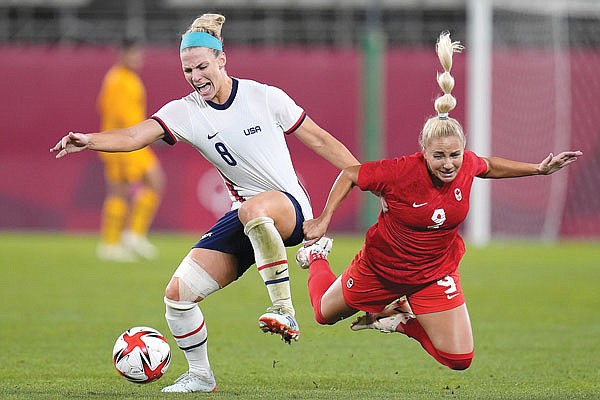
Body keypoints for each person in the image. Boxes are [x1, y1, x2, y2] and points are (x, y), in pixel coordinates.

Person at [51, 13, 359, 393]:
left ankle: (284, 309)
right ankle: (200, 375)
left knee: (253, 210)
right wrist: (89, 140)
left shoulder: (265, 97)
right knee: (177, 298)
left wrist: (360, 182)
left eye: (202, 67)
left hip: (289, 209)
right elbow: (135, 135)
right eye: (187, 70)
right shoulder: (186, 111)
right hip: (246, 217)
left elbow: (323, 141)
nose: (196, 77)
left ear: (222, 60)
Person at [297, 31, 582, 372]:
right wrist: (324, 219)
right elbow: (351, 174)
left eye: (455, 155)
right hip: (380, 269)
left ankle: (399, 320)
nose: (449, 164)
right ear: (424, 152)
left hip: (434, 273)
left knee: (459, 360)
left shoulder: (466, 165)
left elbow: (488, 166)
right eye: (439, 156)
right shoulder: (399, 172)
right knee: (322, 315)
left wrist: (539, 169)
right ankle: (316, 256)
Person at [96, 37, 165, 262]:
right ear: (122, 54)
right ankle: (110, 243)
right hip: (122, 143)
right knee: (120, 190)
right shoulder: (117, 80)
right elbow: (117, 114)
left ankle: (132, 235)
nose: (138, 59)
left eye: (139, 54)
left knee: (153, 182)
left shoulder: (129, 79)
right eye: (133, 54)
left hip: (135, 141)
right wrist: (141, 135)